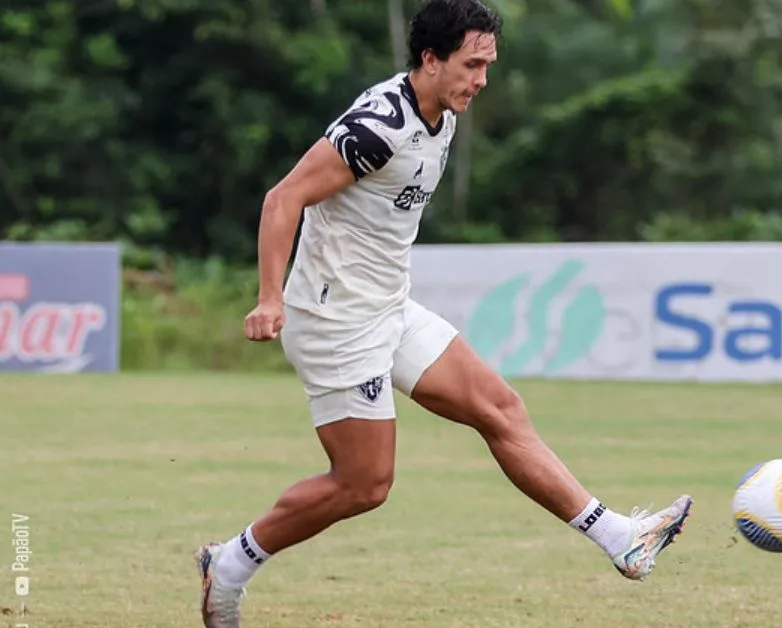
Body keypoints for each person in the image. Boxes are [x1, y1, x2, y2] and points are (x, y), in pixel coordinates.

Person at [193, 0, 693, 625]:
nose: (481, 80)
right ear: (430, 60)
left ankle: (622, 539)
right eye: (471, 65)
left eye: (488, 66)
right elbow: (283, 198)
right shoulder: (378, 126)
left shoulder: (446, 108)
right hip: (335, 322)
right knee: (364, 485)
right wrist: (269, 297)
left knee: (501, 408)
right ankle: (230, 565)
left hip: (387, 306)